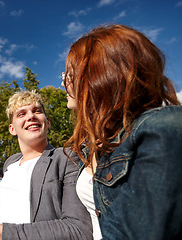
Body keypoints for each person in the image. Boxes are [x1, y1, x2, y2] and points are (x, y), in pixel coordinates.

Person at [61, 24, 182, 239]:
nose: (63, 83)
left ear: (100, 75)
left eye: (69, 74)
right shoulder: (89, 147)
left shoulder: (163, 127)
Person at [0, 90, 92, 240]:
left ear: (47, 122)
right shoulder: (11, 163)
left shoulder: (66, 157)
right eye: (21, 114)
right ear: (12, 129)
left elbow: (79, 230)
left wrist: (1, 233)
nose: (31, 116)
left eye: (37, 111)